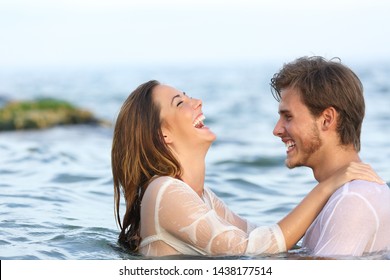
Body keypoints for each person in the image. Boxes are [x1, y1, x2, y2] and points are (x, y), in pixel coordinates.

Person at [111, 79, 384, 257]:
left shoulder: (201, 197)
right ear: (163, 135)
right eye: (180, 103)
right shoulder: (164, 191)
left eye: (187, 95)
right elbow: (252, 249)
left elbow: (260, 238)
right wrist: (329, 186)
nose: (197, 102)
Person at [271, 56, 390, 257]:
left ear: (326, 120)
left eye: (288, 116)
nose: (277, 130)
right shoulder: (347, 194)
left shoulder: (352, 199)